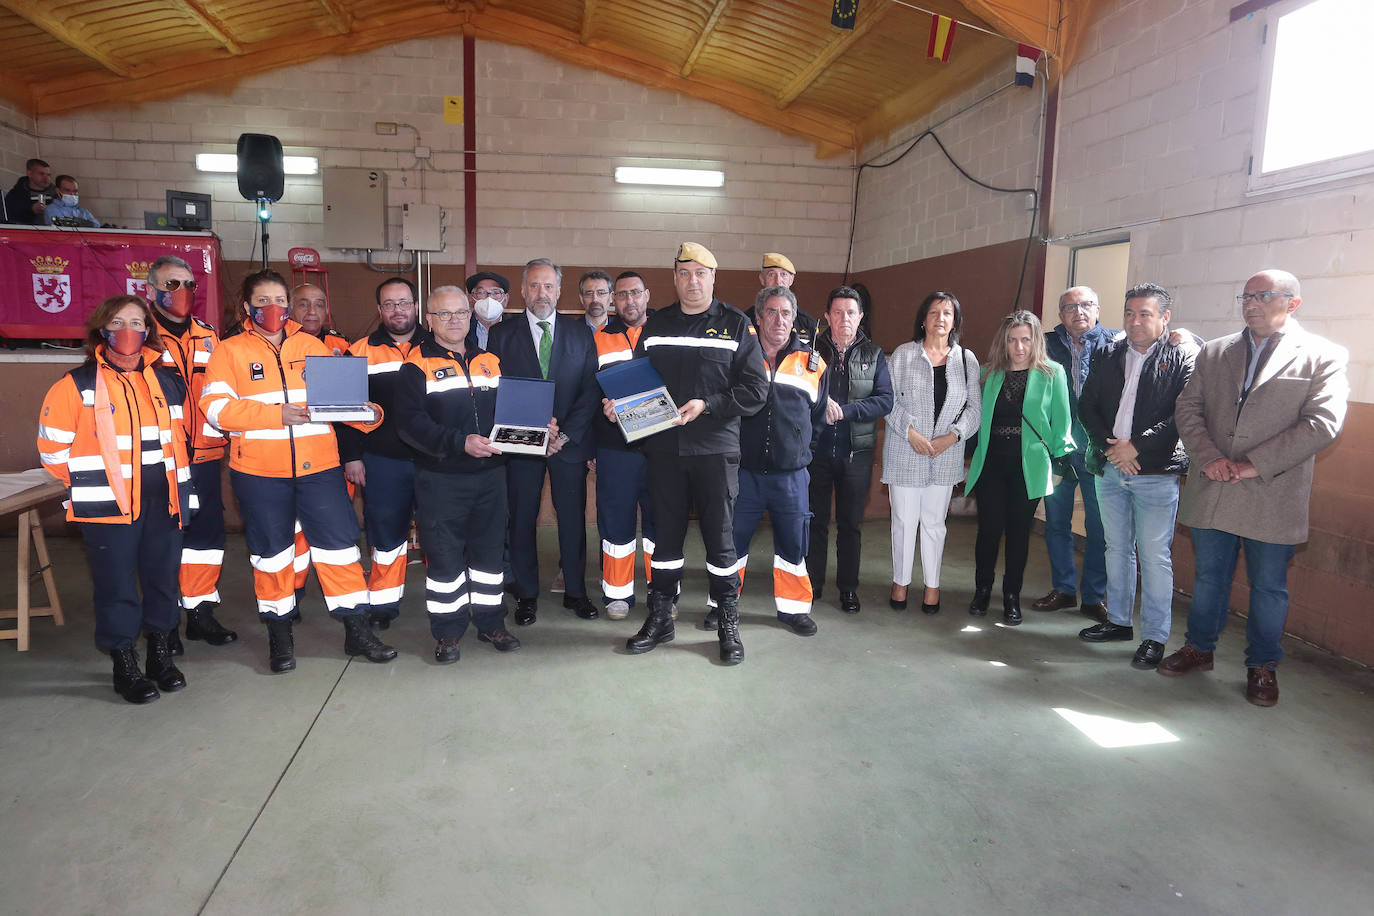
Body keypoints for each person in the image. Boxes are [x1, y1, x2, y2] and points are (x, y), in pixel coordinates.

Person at [1159, 269, 1348, 706]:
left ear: (1293, 303)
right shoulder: (1215, 351)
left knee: (1268, 586)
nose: (1252, 304)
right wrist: (1210, 458)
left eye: (1264, 296)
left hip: (1271, 490)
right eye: (1246, 296)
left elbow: (1323, 423)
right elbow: (1188, 407)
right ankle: (1199, 648)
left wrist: (1252, 465)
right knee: (1209, 579)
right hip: (1215, 484)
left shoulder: (1322, 355)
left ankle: (1262, 665)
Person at [201, 269, 397, 672]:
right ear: (246, 307)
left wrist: (368, 414)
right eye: (262, 301)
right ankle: (280, 636)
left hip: (320, 469)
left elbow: (340, 406)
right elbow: (216, 410)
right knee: (272, 556)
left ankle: (357, 632)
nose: (272, 309)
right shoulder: (229, 351)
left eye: (279, 300)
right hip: (259, 473)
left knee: (341, 550)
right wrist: (276, 416)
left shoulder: (314, 346)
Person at [37, 295, 196, 703]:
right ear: (102, 329)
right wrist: (90, 487)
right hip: (107, 507)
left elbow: (183, 441)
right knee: (117, 586)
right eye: (119, 321)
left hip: (165, 500)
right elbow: (52, 453)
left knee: (163, 580)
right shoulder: (75, 385)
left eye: (138, 322)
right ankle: (124, 663)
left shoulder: (168, 380)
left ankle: (160, 655)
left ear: (148, 330)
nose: (129, 329)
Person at [620, 242, 768, 664]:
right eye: (684, 273)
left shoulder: (736, 325)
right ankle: (661, 618)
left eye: (700, 273)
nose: (692, 281)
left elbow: (756, 390)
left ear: (713, 277)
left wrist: (709, 404)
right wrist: (620, 406)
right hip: (664, 450)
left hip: (715, 451)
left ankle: (726, 621)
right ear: (675, 277)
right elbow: (637, 384)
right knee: (664, 539)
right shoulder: (657, 325)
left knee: (721, 543)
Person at [394, 286, 525, 662]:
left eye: (460, 313)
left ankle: (491, 622)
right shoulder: (414, 366)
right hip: (441, 478)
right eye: (444, 314)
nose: (454, 320)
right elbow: (410, 425)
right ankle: (448, 632)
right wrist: (458, 442)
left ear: (471, 316)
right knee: (446, 559)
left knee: (488, 555)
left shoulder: (490, 361)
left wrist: (535, 430)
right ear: (429, 320)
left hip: (491, 476)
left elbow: (510, 413)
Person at [1077, 284, 1197, 669]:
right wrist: (1113, 449)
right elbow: (1087, 404)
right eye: (1129, 313)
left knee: (1154, 555)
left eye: (1145, 314)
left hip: (1156, 472)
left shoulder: (1181, 355)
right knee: (1116, 548)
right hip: (1112, 467)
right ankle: (1117, 620)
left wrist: (1137, 447)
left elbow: (1181, 414)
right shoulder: (1109, 351)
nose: (1135, 321)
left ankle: (1154, 637)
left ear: (1165, 318)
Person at [704, 285, 826, 637]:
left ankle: (793, 610)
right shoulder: (740, 360)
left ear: (794, 319)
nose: (779, 320)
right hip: (743, 472)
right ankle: (721, 605)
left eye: (786, 313)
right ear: (757, 318)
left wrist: (799, 450)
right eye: (771, 312)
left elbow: (816, 416)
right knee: (732, 542)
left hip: (791, 476)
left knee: (793, 543)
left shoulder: (811, 363)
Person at [487, 258, 601, 624]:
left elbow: (589, 391)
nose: (541, 293)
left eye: (548, 286)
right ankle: (527, 594)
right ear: (522, 291)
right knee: (521, 519)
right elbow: (499, 392)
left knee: (572, 519)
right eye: (534, 286)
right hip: (521, 445)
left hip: (568, 445)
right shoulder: (502, 335)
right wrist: (535, 436)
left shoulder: (580, 334)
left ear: (558, 290)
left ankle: (576, 592)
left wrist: (562, 436)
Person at [144, 255, 238, 651]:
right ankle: (162, 625)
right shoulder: (140, 335)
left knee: (206, 537)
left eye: (188, 285)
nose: (181, 293)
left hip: (205, 455)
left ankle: (200, 613)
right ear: (150, 291)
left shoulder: (208, 335)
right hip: (160, 461)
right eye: (171, 285)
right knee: (161, 541)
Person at [965, 311, 1073, 626]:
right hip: (991, 464)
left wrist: (1059, 462)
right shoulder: (989, 374)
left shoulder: (1053, 373)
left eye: (1025, 339)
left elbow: (1061, 423)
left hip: (1030, 467)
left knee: (1018, 535)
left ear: (1035, 340)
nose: (1019, 346)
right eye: (1012, 340)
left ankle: (1011, 595)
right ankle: (982, 590)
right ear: (1004, 342)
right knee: (987, 532)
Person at [337, 277, 428, 630]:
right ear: (379, 310)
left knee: (440, 532)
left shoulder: (435, 347)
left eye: (404, 302)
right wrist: (352, 456)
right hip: (382, 461)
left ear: (416, 307)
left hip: (432, 460)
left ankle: (446, 602)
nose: (398, 310)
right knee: (386, 534)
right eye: (389, 304)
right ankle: (384, 603)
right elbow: (343, 411)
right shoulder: (358, 351)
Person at [882, 292, 981, 615]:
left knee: (935, 524)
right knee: (903, 521)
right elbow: (887, 400)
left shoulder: (966, 360)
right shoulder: (902, 355)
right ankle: (900, 583)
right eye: (934, 312)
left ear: (955, 321)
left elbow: (974, 410)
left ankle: (932, 587)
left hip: (944, 455)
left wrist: (953, 436)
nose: (941, 318)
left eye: (948, 313)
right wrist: (910, 432)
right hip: (905, 451)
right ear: (923, 319)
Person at [807, 286, 893, 614]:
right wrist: (820, 402)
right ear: (827, 316)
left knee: (850, 524)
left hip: (857, 454)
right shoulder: (811, 350)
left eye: (851, 313)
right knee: (814, 521)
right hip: (816, 451)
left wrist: (846, 411)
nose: (844, 319)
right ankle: (812, 583)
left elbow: (885, 399)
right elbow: (797, 390)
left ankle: (848, 588)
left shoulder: (873, 354)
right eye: (838, 312)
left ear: (860, 317)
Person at [1033, 286, 1114, 621]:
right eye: (1070, 307)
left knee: (1099, 527)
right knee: (1057, 521)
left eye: (1086, 305)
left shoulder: (1118, 343)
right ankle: (1064, 589)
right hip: (1057, 448)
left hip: (1099, 449)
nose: (1078, 312)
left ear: (1097, 309)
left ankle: (1094, 596)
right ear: (1060, 314)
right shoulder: (1046, 344)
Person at [593, 270, 655, 619]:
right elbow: (591, 390)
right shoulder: (600, 338)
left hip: (660, 446)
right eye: (622, 295)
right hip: (615, 447)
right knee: (615, 520)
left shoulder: (665, 333)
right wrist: (604, 411)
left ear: (647, 295)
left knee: (660, 521)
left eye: (635, 293)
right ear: (613, 300)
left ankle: (663, 593)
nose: (629, 301)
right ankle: (618, 594)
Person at [745, 253, 819, 345]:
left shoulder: (807, 323)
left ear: (791, 280)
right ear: (762, 279)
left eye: (783, 274)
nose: (778, 281)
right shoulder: (745, 320)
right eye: (771, 274)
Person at [290, 283, 348, 354]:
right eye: (303, 305)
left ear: (326, 310)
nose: (312, 312)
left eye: (319, 305)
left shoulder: (341, 344)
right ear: (290, 310)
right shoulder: (281, 343)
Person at [5, 158, 55, 225]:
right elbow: (7, 216)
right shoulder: (16, 194)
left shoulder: (57, 194)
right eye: (41, 174)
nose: (46, 178)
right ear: (29, 173)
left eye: (48, 175)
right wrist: (31, 209)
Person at [466, 270, 508, 350]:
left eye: (496, 292)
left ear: (506, 299)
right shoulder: (461, 330)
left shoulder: (518, 331)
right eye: (481, 292)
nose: (489, 298)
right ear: (470, 299)